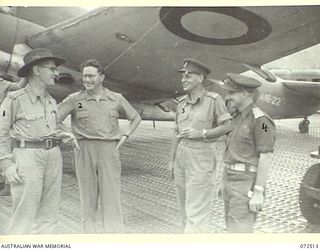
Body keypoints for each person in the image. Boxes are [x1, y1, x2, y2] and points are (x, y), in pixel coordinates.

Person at [58, 59, 141, 233]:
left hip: (109, 150)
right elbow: (53, 118)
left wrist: (126, 134)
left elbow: (135, 117)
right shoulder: (75, 99)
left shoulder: (116, 98)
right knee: (88, 199)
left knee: (111, 198)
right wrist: (68, 134)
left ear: (101, 77)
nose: (86, 80)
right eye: (84, 76)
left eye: (91, 76)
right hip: (83, 150)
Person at [0, 48, 77, 234]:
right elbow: (0, 133)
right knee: (24, 217)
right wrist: (6, 164)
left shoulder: (50, 100)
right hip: (27, 158)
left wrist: (63, 133)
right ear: (36, 70)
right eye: (51, 68)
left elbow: (51, 125)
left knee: (49, 217)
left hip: (53, 157)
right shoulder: (14, 99)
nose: (56, 73)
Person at [168, 58, 232, 233]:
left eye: (189, 76)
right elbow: (176, 131)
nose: (184, 79)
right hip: (182, 155)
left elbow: (227, 126)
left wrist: (202, 134)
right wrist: (172, 161)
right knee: (184, 212)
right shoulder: (181, 103)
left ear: (201, 78)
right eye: (183, 76)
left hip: (202, 156)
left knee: (196, 213)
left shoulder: (213, 100)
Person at [222, 73, 276, 233]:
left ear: (246, 94)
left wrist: (259, 191)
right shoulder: (236, 117)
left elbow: (266, 156)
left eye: (231, 93)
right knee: (231, 226)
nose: (228, 97)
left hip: (245, 183)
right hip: (230, 178)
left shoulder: (262, 121)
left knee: (240, 231)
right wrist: (223, 182)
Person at [0, 74, 28, 196]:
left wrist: (26, 73)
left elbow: (19, 85)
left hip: (3, 120)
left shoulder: (3, 83)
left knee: (6, 152)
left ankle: (7, 185)